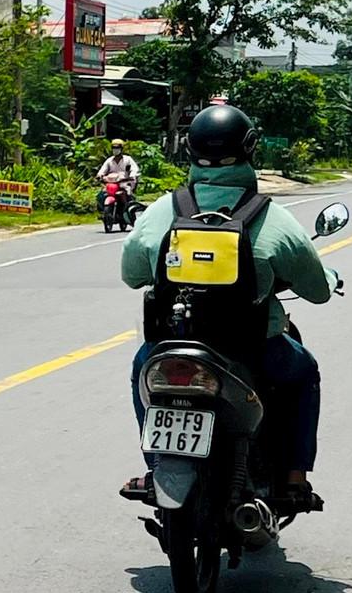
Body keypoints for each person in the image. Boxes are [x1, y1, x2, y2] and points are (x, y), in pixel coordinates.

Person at [119, 104, 336, 513]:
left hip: (174, 348)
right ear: (251, 148)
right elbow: (318, 291)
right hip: (254, 348)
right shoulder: (274, 219)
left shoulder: (161, 213)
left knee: (140, 371)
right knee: (303, 373)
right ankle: (293, 478)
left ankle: (155, 467)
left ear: (189, 150)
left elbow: (132, 275)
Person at [96, 138, 141, 211]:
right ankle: (102, 211)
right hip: (112, 183)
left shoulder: (128, 159)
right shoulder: (109, 160)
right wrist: (99, 175)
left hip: (124, 182)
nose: (115, 150)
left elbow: (134, 169)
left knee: (128, 194)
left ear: (121, 149)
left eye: (117, 148)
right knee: (101, 195)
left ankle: (127, 209)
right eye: (114, 148)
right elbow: (102, 170)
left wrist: (132, 176)